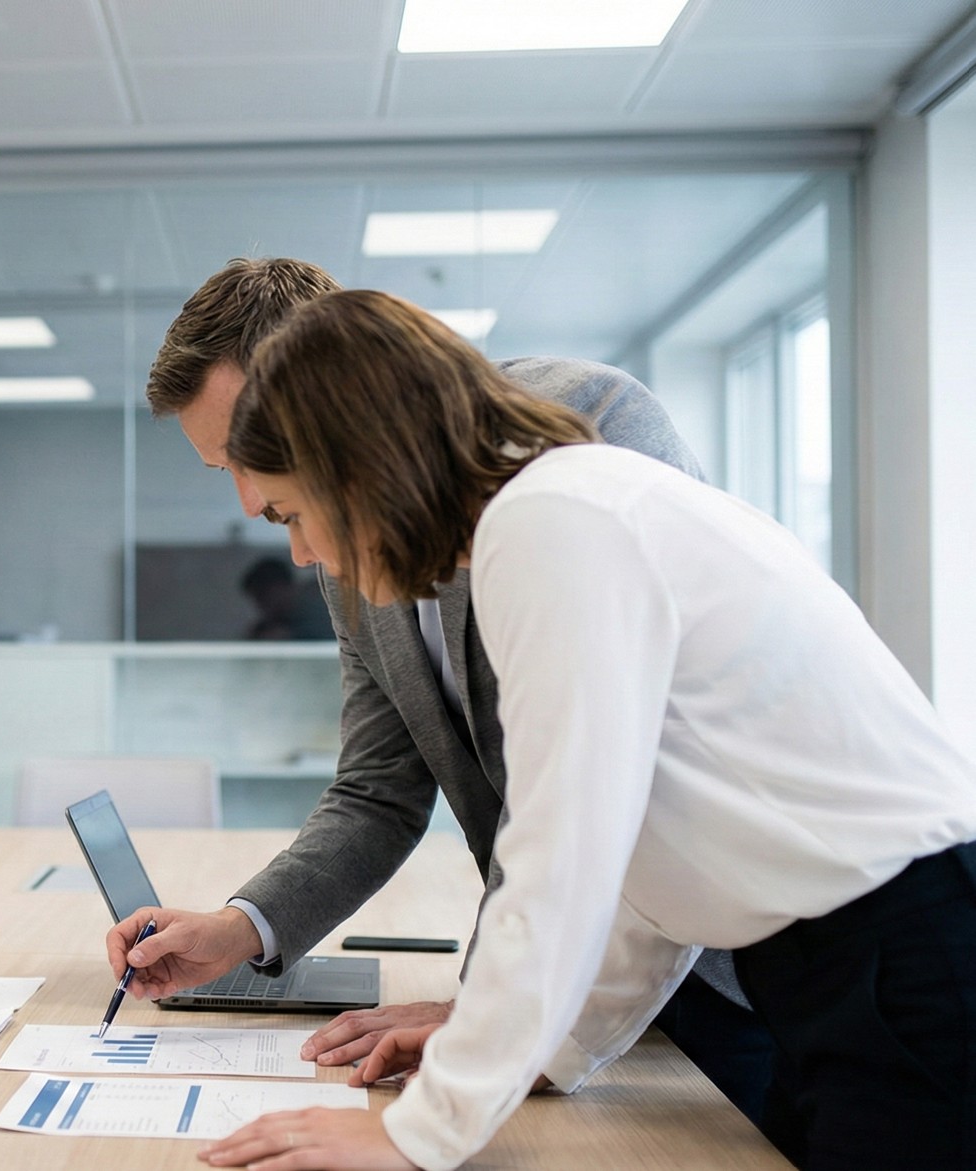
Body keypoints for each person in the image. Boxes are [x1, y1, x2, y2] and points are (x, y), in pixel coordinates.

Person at [185, 289, 976, 1170]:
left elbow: (562, 852)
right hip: (839, 952)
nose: (301, 556)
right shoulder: (551, 511)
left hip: (906, 945)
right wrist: (546, 1054)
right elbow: (635, 863)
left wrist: (418, 1131)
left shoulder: (551, 519)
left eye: (294, 515)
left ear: (357, 467)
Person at [126, 258, 774, 1120]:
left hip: (748, 950)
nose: (255, 503)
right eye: (227, 470)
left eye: (257, 450)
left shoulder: (571, 439)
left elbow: (620, 787)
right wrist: (243, 930)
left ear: (331, 387)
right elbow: (375, 790)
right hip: (596, 958)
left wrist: (489, 1029)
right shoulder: (332, 534)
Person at [239, 555, 335, 641]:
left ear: (282, 587)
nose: (260, 605)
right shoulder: (275, 623)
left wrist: (291, 636)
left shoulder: (320, 610)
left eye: (263, 596)